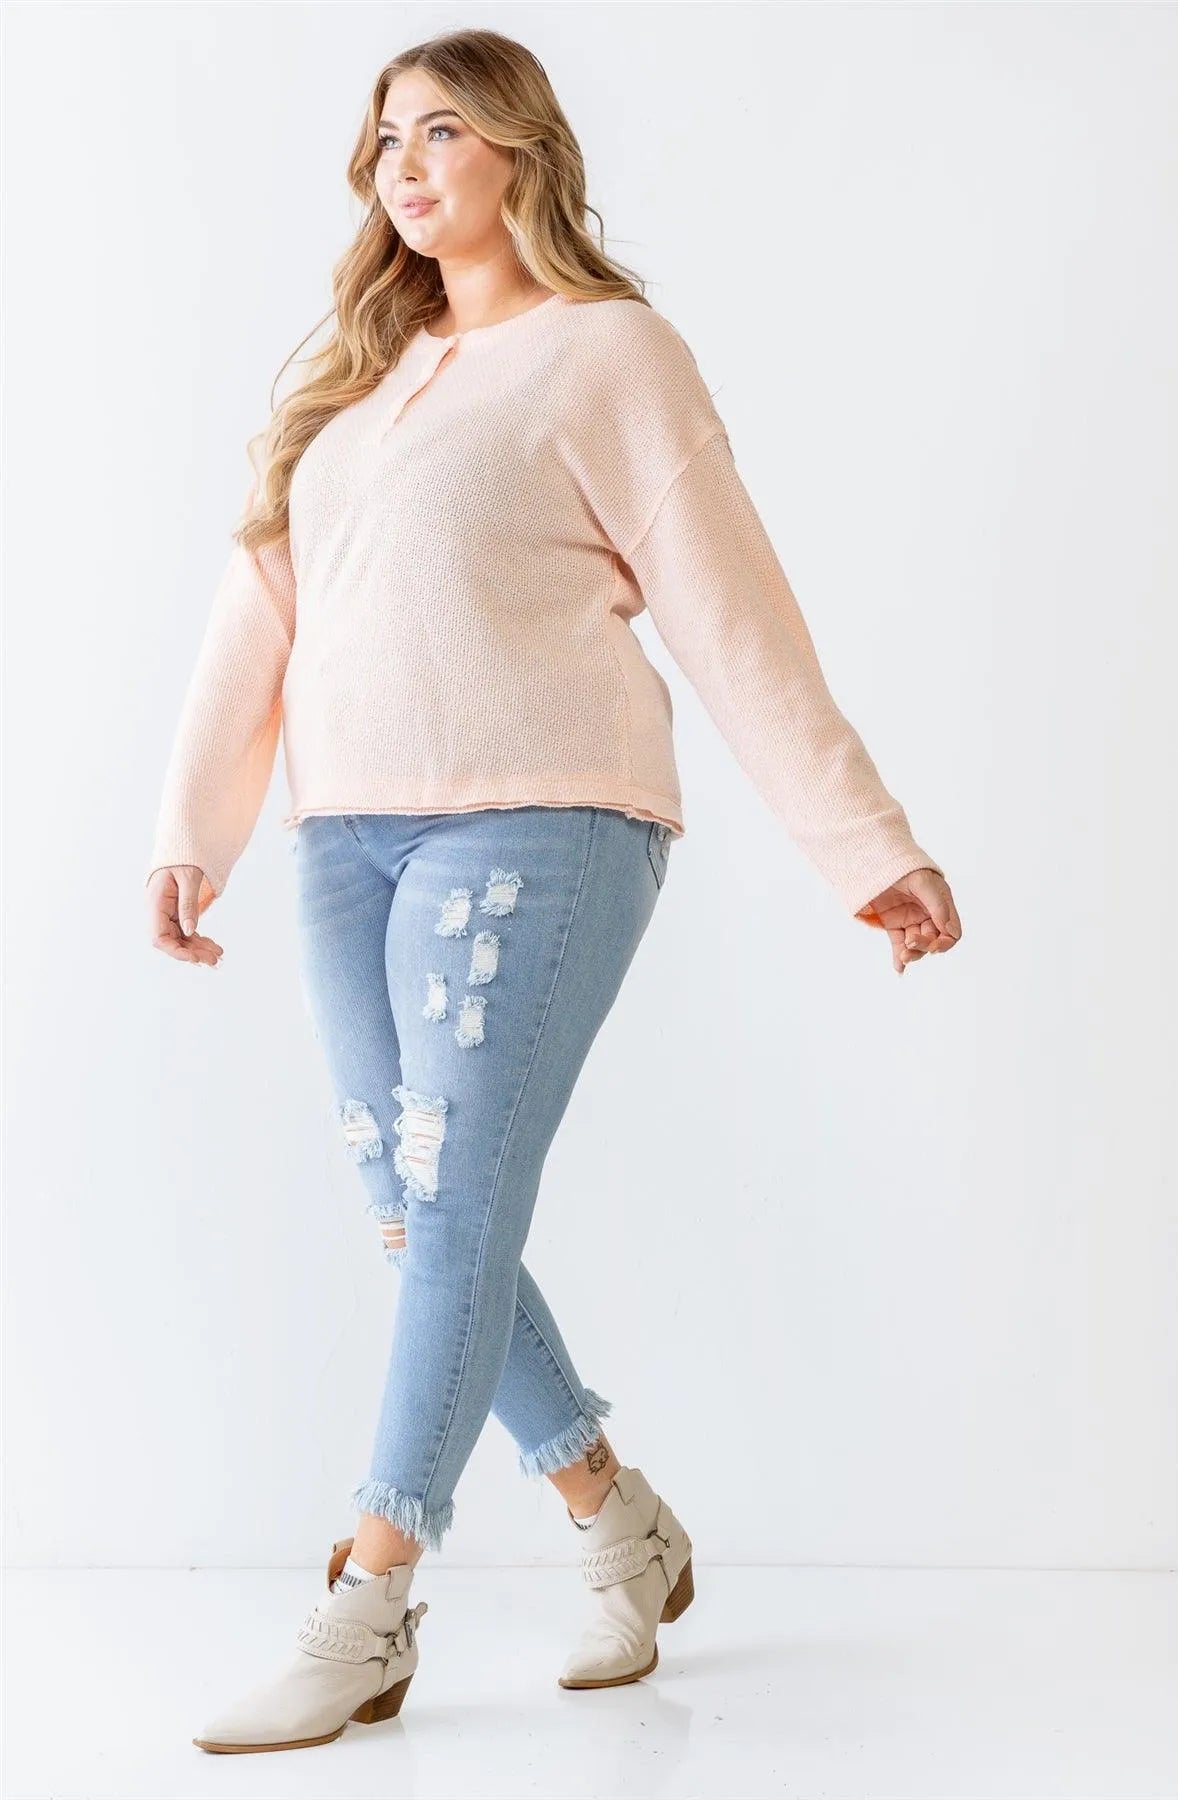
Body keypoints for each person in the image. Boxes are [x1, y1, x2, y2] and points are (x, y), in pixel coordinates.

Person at [145, 27, 961, 1757]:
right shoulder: (357, 382)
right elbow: (256, 618)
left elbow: (732, 613)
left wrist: (862, 843)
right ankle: (614, 1518)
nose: (404, 165)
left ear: (520, 148)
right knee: (413, 1210)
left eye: (441, 130)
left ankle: (367, 1601)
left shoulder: (608, 353)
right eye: (384, 139)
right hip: (343, 838)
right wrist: (191, 836)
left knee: (450, 1206)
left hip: (542, 823)